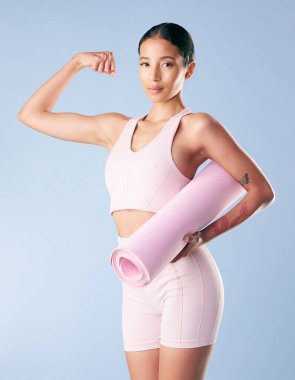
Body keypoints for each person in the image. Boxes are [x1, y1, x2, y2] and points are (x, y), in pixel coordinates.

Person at [17, 22, 275, 380]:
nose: (154, 75)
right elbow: (31, 115)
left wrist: (205, 236)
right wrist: (76, 62)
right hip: (134, 281)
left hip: (182, 279)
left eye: (167, 64)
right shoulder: (115, 129)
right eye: (144, 63)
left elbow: (260, 190)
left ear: (189, 68)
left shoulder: (196, 127)